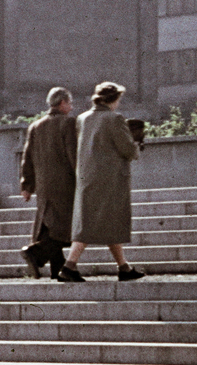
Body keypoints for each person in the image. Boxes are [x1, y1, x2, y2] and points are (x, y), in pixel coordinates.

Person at [60, 81, 145, 283]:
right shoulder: (114, 119)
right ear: (113, 99)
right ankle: (69, 266)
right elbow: (126, 149)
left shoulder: (82, 118)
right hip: (109, 179)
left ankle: (124, 267)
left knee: (105, 221)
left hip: (88, 177)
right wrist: (136, 144)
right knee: (93, 223)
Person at [18, 87, 79, 279]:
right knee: (64, 229)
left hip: (44, 187)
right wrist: (83, 179)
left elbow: (27, 158)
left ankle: (59, 271)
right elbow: (74, 155)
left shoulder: (35, 126)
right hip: (65, 186)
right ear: (62, 104)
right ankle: (35, 253)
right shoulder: (68, 123)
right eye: (69, 102)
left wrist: (27, 185)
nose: (71, 106)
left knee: (50, 228)